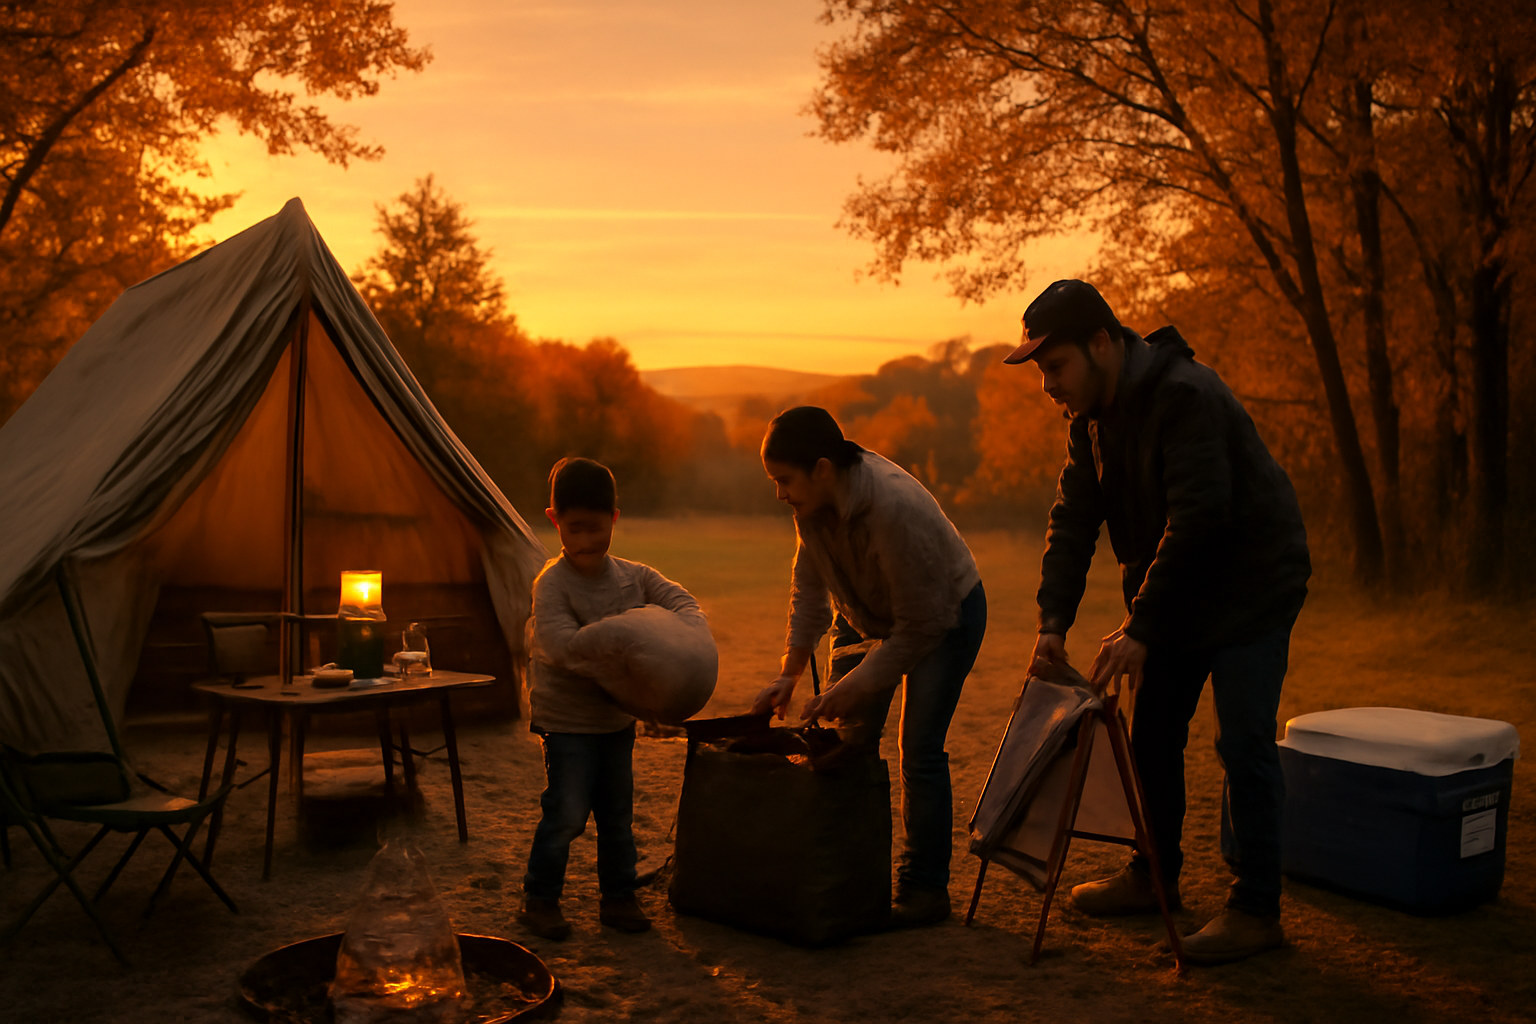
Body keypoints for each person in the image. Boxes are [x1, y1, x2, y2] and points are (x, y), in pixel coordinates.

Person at [1009, 280, 1311, 965]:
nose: (1048, 386)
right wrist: (1052, 621)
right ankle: (1155, 878)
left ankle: (1257, 911)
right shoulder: (1090, 421)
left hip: (1252, 585)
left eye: (1054, 367)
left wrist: (1141, 626)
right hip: (1176, 594)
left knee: (1243, 745)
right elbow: (1074, 520)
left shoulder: (1186, 396)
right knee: (1151, 740)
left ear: (1099, 344)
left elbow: (1200, 519)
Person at [750, 406, 987, 927]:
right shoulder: (810, 506)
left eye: (784, 480)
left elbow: (923, 626)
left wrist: (859, 681)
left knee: (918, 750)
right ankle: (845, 869)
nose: (779, 494)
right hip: (865, 613)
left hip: (944, 616)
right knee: (843, 740)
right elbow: (810, 591)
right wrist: (790, 672)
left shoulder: (892, 508)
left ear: (822, 468)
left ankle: (924, 889)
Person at [518, 456, 704, 940]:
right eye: (574, 528)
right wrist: (626, 636)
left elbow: (684, 604)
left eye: (597, 529)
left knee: (618, 815)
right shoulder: (552, 584)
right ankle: (540, 899)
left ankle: (619, 897)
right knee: (567, 813)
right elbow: (561, 647)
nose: (585, 541)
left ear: (615, 519)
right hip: (566, 723)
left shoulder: (634, 577)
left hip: (615, 723)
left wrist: (684, 643)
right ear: (554, 520)